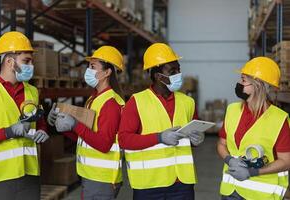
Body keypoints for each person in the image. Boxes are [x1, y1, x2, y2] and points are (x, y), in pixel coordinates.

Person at [118, 43, 205, 200]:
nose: (178, 74)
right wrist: (159, 138)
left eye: (178, 69)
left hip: (182, 184)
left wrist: (197, 140)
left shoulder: (187, 102)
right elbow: (124, 140)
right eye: (173, 71)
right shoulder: (136, 101)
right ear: (158, 76)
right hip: (149, 185)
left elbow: (193, 131)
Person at [47, 46, 125, 200]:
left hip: (102, 179)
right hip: (90, 176)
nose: (88, 70)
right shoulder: (94, 99)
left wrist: (75, 124)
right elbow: (85, 139)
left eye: (93, 66)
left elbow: (103, 144)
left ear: (107, 72)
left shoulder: (110, 103)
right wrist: (63, 126)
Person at [217, 56, 290, 200]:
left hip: (263, 195)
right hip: (230, 192)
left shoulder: (279, 119)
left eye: (243, 80)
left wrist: (252, 172)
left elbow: (286, 161)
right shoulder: (232, 110)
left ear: (258, 85)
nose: (239, 83)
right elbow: (221, 143)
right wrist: (229, 159)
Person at [0, 31, 49, 200]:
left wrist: (43, 131)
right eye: (26, 61)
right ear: (9, 62)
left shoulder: (32, 91)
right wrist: (8, 132)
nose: (31, 66)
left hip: (30, 175)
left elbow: (40, 122)